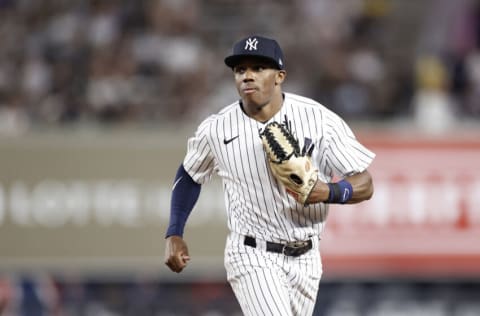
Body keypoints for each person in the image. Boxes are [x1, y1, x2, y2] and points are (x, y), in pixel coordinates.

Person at [164, 35, 375, 316]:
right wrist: (174, 232)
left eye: (258, 68)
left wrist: (328, 191)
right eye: (240, 70)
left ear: (280, 76)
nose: (248, 76)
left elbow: (366, 183)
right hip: (252, 253)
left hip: (308, 258)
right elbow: (189, 175)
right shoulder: (217, 129)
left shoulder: (319, 119)